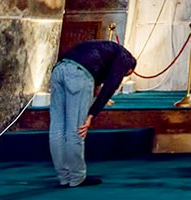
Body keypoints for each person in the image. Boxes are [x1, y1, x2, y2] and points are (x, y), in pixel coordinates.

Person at [48, 39, 137, 188]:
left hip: (58, 69)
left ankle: (64, 177)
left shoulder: (104, 48)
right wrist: (91, 115)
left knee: (57, 129)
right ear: (131, 69)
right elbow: (110, 86)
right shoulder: (125, 58)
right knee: (76, 129)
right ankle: (77, 178)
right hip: (78, 73)